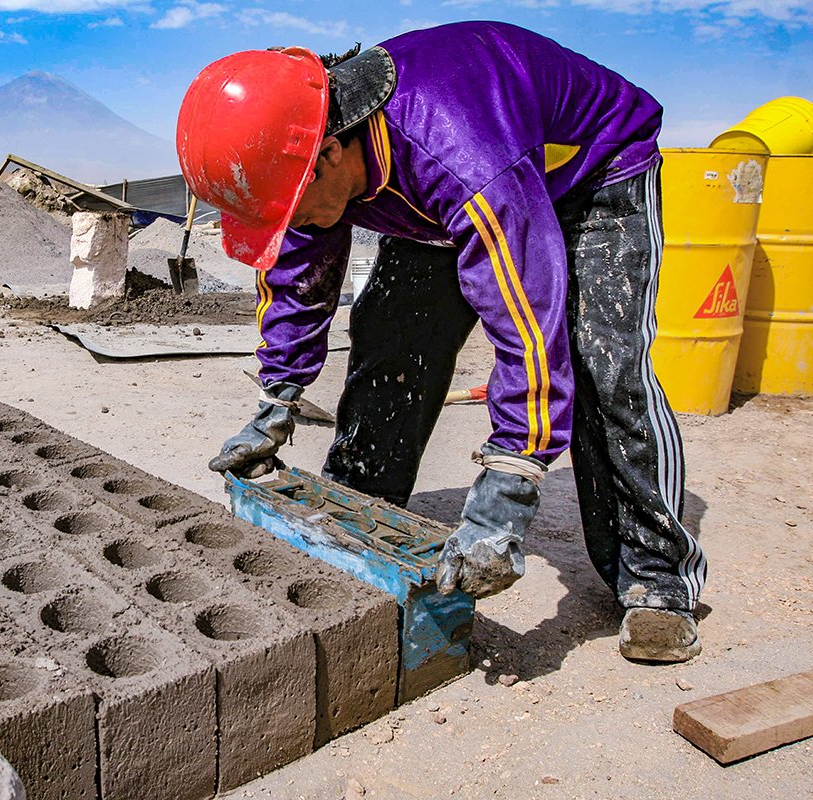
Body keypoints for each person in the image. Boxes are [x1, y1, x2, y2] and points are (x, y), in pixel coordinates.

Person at [177, 21, 707, 663]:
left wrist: (510, 481)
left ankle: (654, 578)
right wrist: (278, 397)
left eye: (293, 207)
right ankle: (358, 512)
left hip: (593, 170)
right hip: (446, 187)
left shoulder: (458, 156)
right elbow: (298, 275)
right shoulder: (312, 162)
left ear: (332, 154)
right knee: (392, 333)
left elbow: (527, 325)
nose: (296, 222)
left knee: (601, 366)